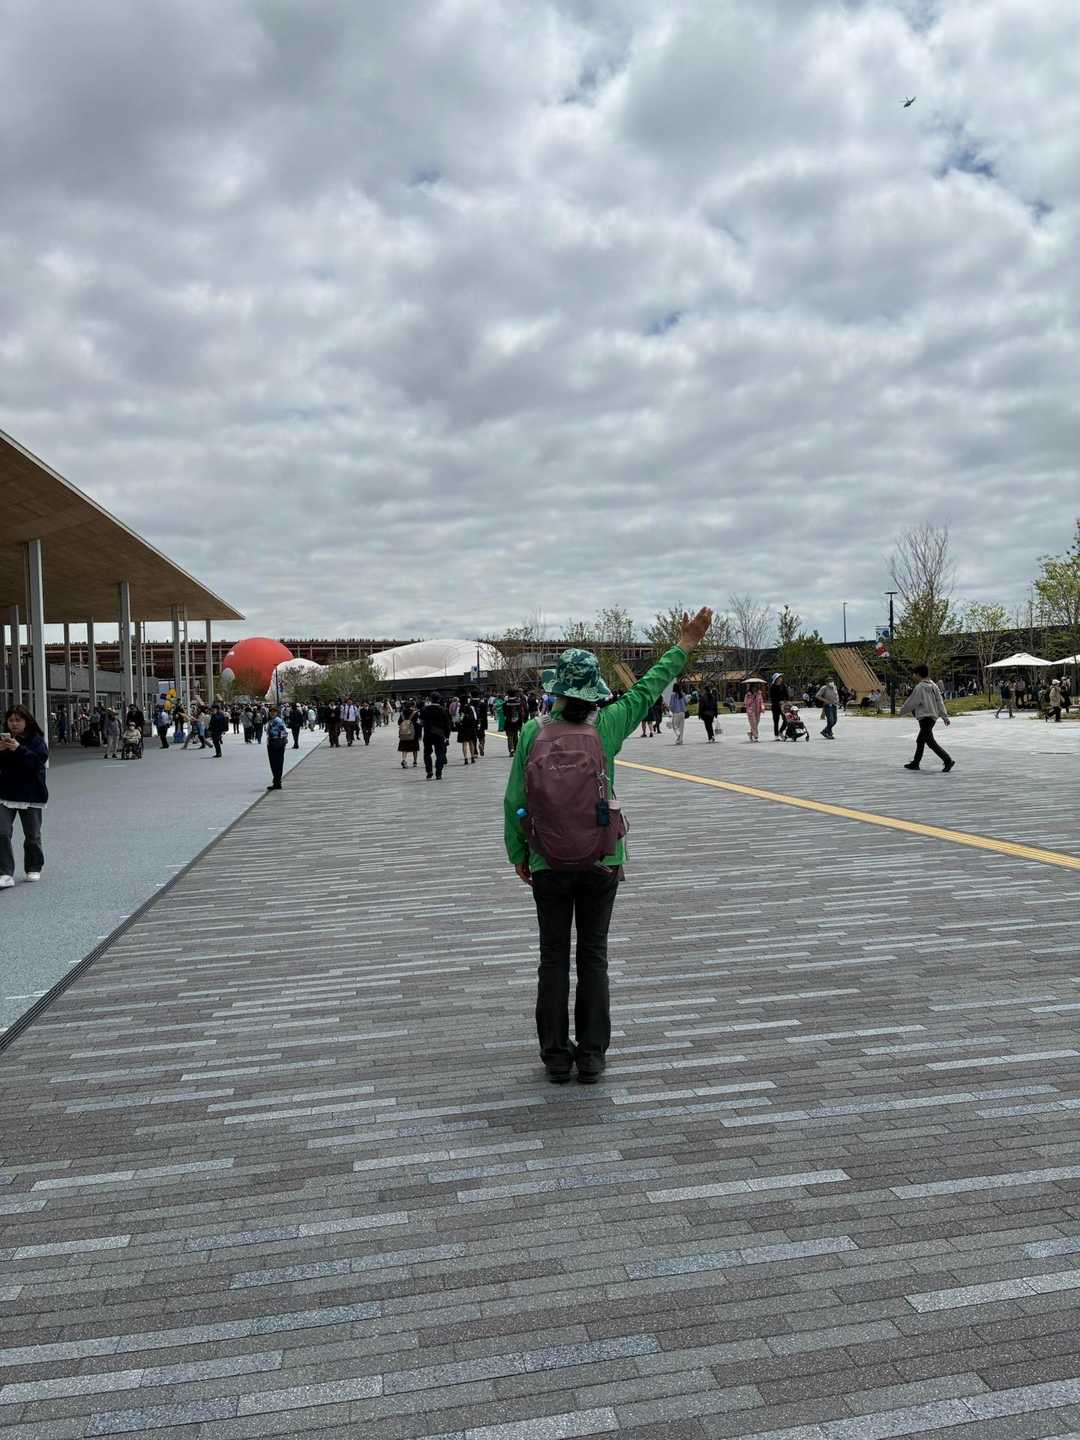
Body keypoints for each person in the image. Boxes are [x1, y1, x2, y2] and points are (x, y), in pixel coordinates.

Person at [504, 608, 713, 1084]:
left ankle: (556, 1055)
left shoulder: (534, 732)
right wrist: (684, 643)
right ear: (593, 690)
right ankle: (592, 1054)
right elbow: (647, 687)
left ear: (558, 689)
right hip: (602, 858)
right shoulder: (609, 725)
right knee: (593, 954)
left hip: (546, 860)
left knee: (553, 956)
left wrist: (520, 854)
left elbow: (515, 799)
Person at [0, 704, 48, 888]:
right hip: (6, 793)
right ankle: (5, 872)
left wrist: (19, 748)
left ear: (26, 721)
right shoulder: (5, 740)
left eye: (18, 720)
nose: (14, 724)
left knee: (32, 834)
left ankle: (34, 866)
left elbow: (38, 762)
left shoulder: (36, 741)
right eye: (10, 720)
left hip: (31, 794)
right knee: (2, 832)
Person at [900, 663, 954, 772]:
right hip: (932, 718)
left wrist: (902, 711)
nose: (913, 676)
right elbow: (940, 702)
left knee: (930, 741)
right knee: (920, 740)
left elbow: (912, 702)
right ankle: (916, 763)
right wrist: (944, 716)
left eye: (914, 674)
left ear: (918, 674)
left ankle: (947, 760)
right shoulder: (934, 685)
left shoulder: (920, 687)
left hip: (924, 718)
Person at [421, 693, 452, 780]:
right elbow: (447, 724)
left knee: (427, 753)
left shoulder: (424, 709)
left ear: (430, 699)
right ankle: (438, 772)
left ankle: (429, 771)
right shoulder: (443, 710)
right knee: (440, 753)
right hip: (439, 734)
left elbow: (420, 722)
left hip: (428, 733)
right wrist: (447, 736)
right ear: (439, 699)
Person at [265, 705, 288, 790]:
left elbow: (284, 733)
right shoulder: (272, 721)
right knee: (275, 763)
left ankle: (277, 782)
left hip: (276, 744)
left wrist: (274, 735)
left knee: (276, 763)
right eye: (271, 712)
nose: (272, 713)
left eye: (274, 712)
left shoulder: (277, 721)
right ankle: (276, 781)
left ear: (277, 713)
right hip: (273, 743)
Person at [457, 696, 479, 764]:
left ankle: (465, 758)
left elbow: (460, 719)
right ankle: (472, 758)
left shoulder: (460, 708)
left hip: (463, 728)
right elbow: (475, 718)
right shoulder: (471, 707)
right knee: (471, 742)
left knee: (464, 743)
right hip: (471, 727)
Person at [398, 704, 420, 768]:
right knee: (415, 748)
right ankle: (415, 762)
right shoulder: (415, 713)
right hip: (413, 733)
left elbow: (399, 722)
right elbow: (418, 724)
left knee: (404, 748)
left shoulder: (402, 713)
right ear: (412, 706)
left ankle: (404, 760)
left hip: (404, 733)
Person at [503, 691, 524, 756]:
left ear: (508, 695)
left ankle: (511, 749)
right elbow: (521, 713)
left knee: (510, 736)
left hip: (508, 722)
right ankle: (515, 749)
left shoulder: (505, 704)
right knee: (515, 735)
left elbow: (504, 713)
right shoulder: (519, 703)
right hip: (517, 722)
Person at [769, 672, 789, 739]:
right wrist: (778, 701)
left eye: (781, 677)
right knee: (776, 721)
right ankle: (776, 735)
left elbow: (787, 695)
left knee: (786, 720)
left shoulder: (783, 686)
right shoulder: (772, 687)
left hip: (783, 706)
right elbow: (772, 698)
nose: (781, 678)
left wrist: (785, 701)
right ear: (776, 679)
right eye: (779, 677)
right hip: (775, 706)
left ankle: (781, 731)